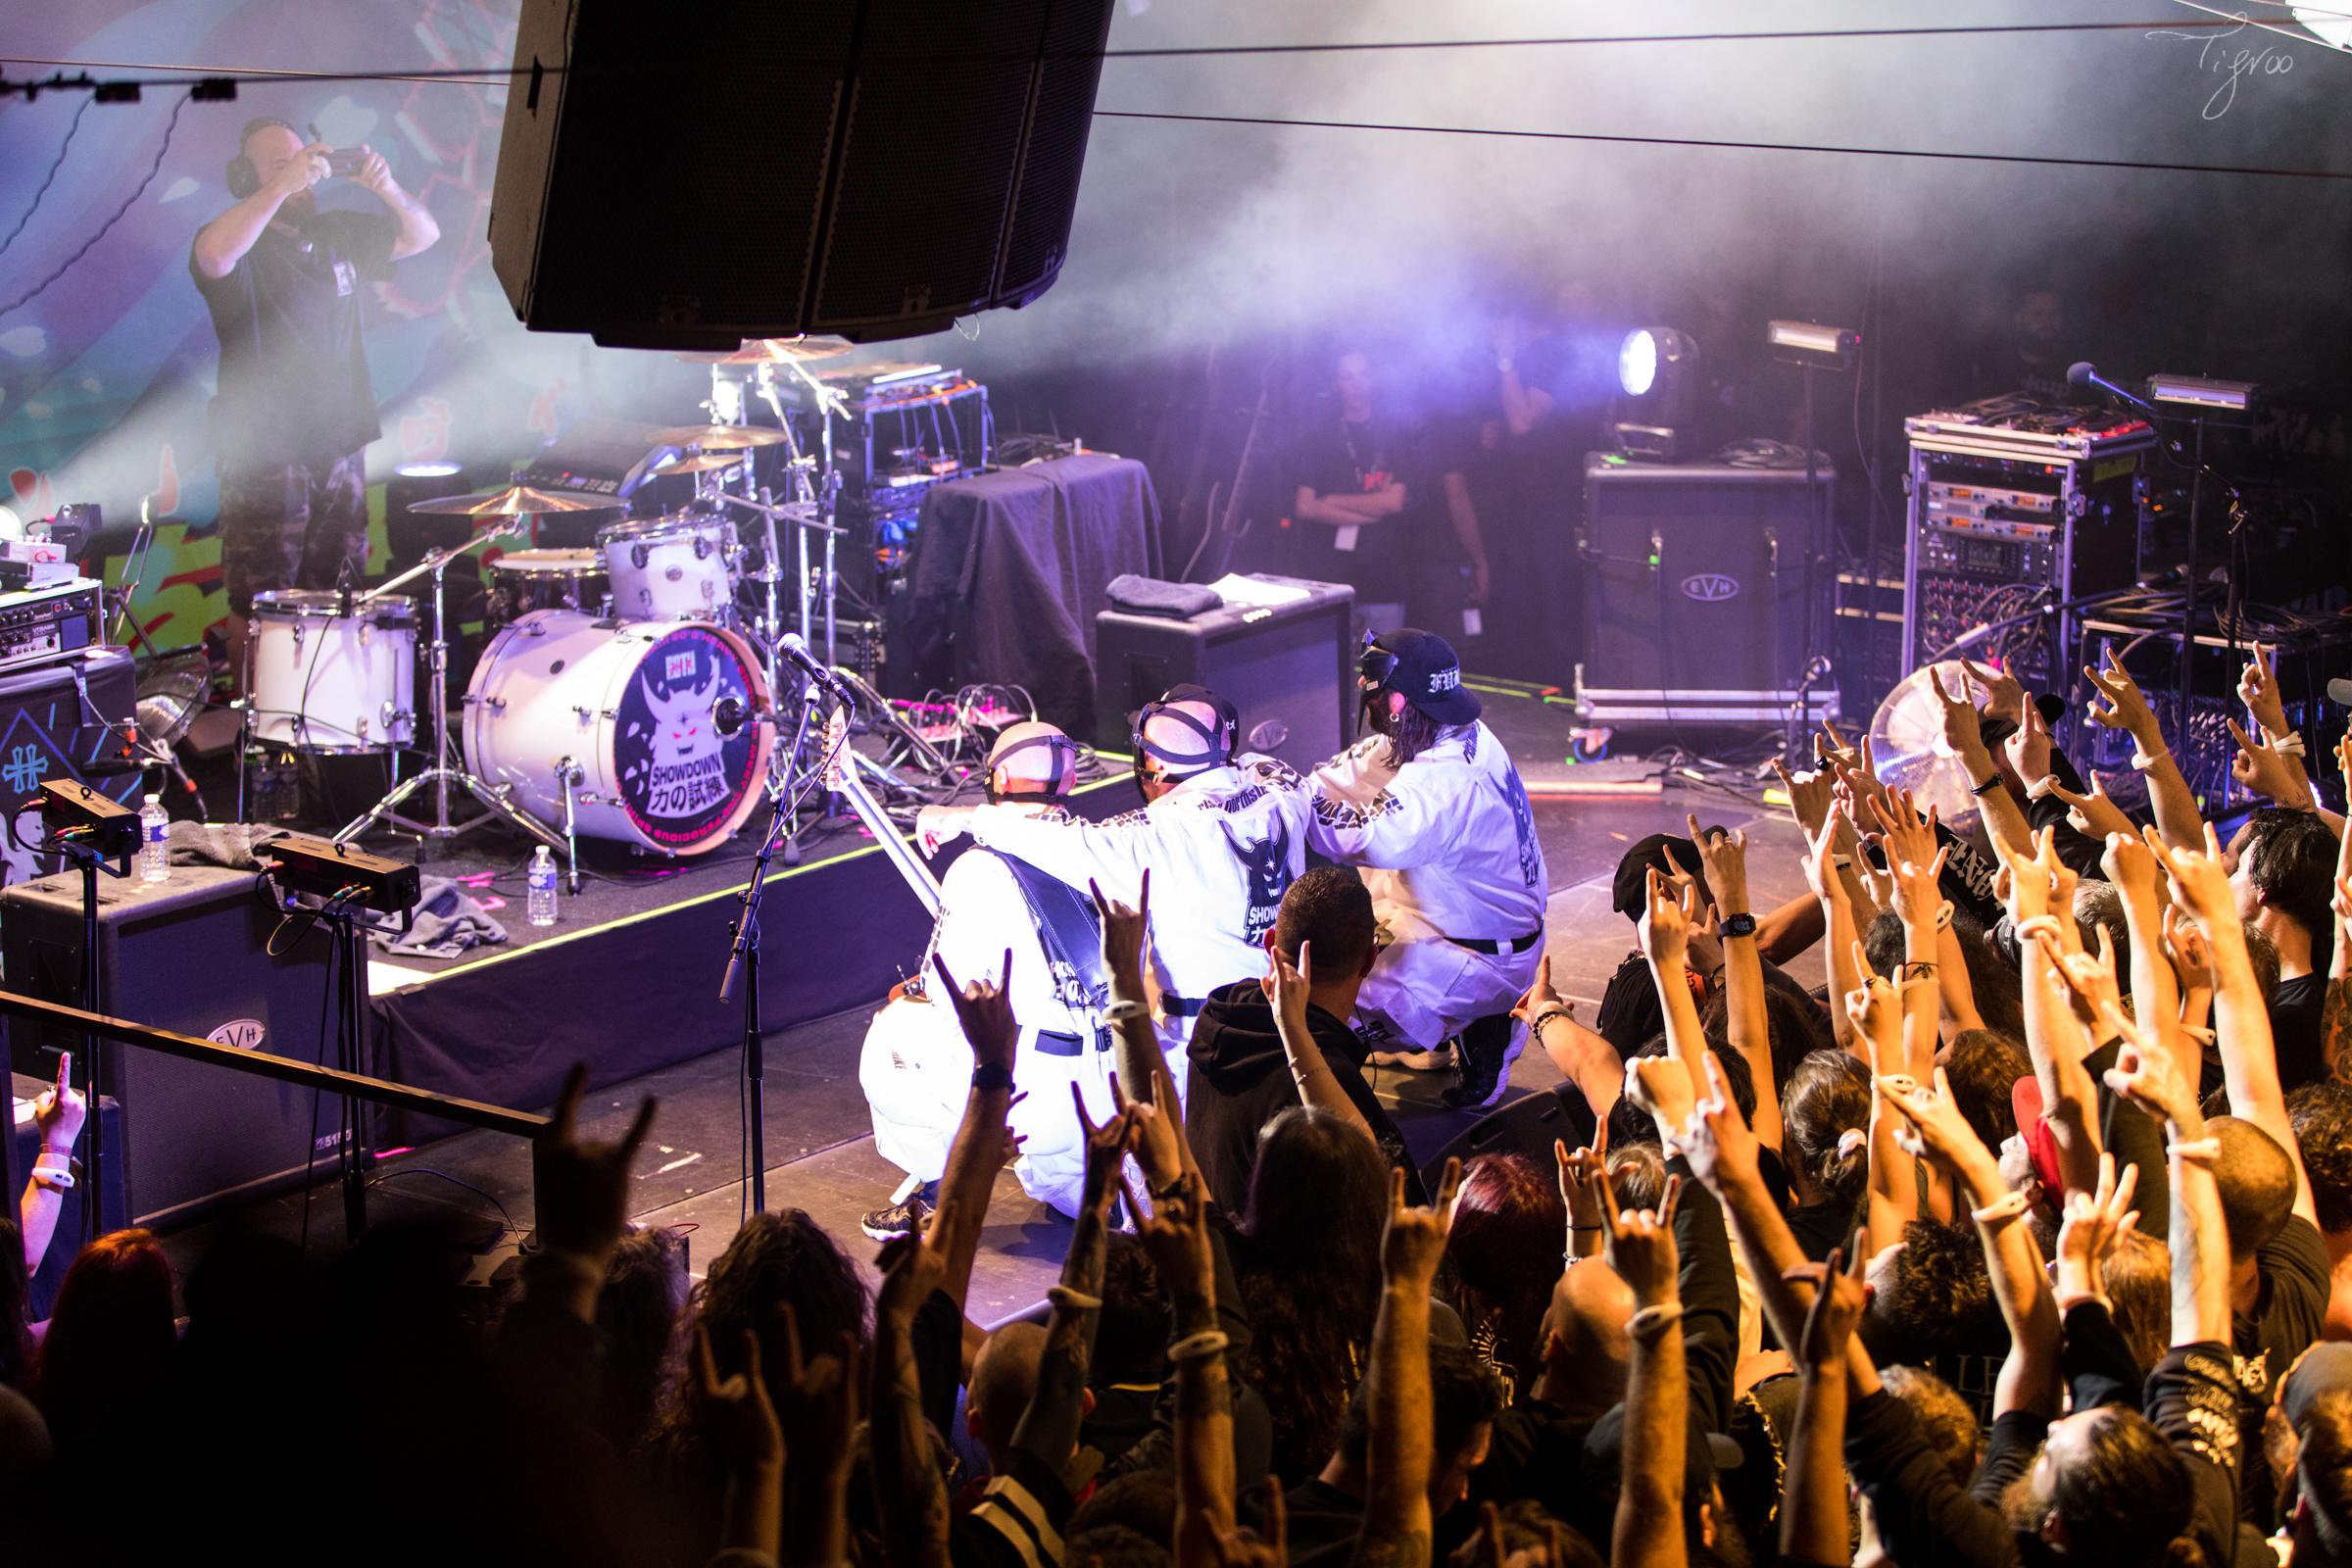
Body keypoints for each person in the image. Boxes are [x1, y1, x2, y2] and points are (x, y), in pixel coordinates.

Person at [914, 685, 1309, 1062]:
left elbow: (1069, 843)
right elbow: (1250, 766)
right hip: (1297, 1019)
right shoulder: (1279, 785)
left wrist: (957, 817)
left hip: (1212, 1043)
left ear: (1154, 768)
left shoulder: (1153, 836)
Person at [190, 117, 440, 687]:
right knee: (260, 601)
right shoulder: (238, 240)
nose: (300, 174)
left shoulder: (337, 231)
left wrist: (386, 187)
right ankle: (260, 736)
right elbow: (212, 254)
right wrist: (279, 186)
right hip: (265, 452)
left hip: (342, 440)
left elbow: (423, 236)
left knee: (340, 591)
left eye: (303, 160)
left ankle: (323, 719)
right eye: (279, 163)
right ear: (244, 177)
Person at [858, 721, 1113, 1236]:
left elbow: (949, 1000)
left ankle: (939, 1186)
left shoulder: (979, 870)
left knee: (897, 1028)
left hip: (1040, 1107)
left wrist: (909, 998)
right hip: (1114, 1089)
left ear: (996, 779)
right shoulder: (1103, 844)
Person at [1304, 628, 1549, 1108]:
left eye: (1371, 692)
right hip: (1466, 920)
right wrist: (1287, 790)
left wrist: (1280, 806)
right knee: (1373, 856)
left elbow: (1353, 835)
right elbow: (1337, 779)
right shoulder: (1449, 731)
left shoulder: (1444, 780)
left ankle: (1488, 1021)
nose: (1366, 700)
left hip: (1481, 957)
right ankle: (1430, 1034)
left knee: (1321, 1009)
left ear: (1396, 700)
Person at [1184, 865, 1421, 1214]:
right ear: (1370, 959)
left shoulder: (1215, 1019)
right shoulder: (1330, 1081)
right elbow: (1399, 1213)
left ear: (1270, 943)